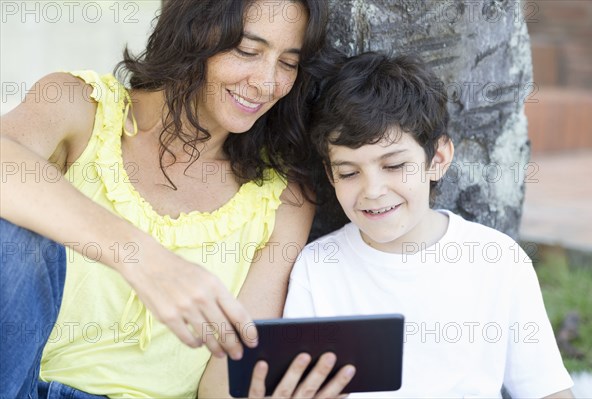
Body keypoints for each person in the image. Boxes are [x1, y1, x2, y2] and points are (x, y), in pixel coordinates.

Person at [0, 0, 353, 397]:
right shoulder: (78, 105)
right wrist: (142, 258)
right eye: (247, 51)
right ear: (194, 30)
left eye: (288, 63)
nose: (267, 83)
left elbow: (223, 380)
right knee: (14, 221)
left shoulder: (283, 197)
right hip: (18, 381)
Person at [283, 52, 575, 398]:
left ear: (437, 159)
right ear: (330, 173)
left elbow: (547, 390)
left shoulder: (498, 260)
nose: (373, 191)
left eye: (393, 166)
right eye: (349, 172)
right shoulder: (317, 268)